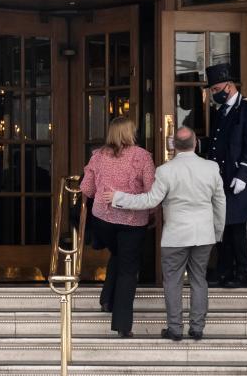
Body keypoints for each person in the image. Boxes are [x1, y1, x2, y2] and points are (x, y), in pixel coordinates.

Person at [102, 127, 225, 341]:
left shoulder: (165, 171)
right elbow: (220, 203)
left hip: (175, 237)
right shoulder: (211, 168)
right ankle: (197, 328)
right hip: (203, 234)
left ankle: (175, 329)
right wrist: (217, 231)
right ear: (195, 143)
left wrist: (118, 198)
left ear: (174, 145)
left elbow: (150, 200)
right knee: (199, 280)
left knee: (173, 282)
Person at [80, 116, 155, 337]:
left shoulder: (97, 156)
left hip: (103, 221)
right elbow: (151, 191)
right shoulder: (142, 156)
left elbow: (87, 189)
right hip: (133, 221)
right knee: (128, 269)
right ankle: (122, 325)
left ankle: (107, 300)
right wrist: (154, 214)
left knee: (119, 254)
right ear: (130, 132)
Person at [202, 63, 247, 288]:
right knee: (222, 225)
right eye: (212, 90)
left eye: (216, 89)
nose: (213, 93)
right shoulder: (221, 111)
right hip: (221, 177)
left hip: (239, 177)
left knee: (237, 226)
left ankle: (243, 271)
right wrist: (194, 144)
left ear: (229, 86)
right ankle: (224, 270)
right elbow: (217, 143)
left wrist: (243, 174)